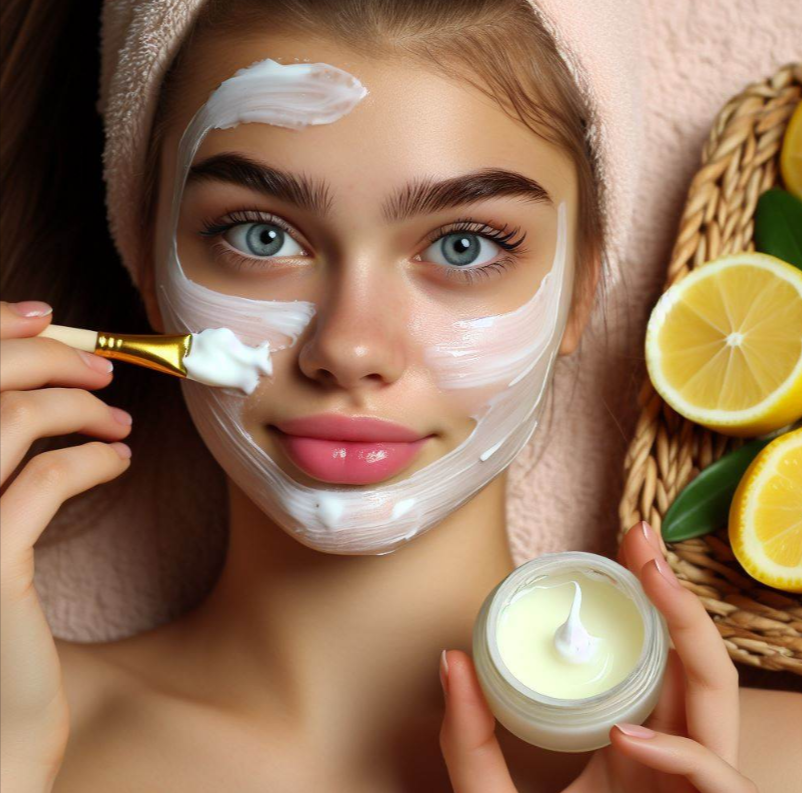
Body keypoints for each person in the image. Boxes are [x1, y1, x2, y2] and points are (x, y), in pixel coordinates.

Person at [1, 1, 800, 791]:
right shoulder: (24, 734)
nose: (350, 348)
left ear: (581, 290)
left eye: (463, 245)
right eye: (260, 235)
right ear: (145, 260)